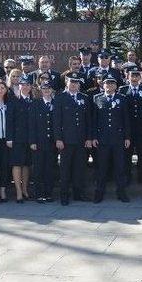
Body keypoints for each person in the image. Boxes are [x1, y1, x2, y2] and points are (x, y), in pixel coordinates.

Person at [53, 72, 92, 205]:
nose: (74, 84)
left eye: (76, 82)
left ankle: (78, 194)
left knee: (79, 168)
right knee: (65, 169)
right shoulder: (60, 98)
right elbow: (57, 120)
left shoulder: (84, 98)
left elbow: (88, 120)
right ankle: (64, 195)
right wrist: (58, 139)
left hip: (81, 140)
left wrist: (88, 138)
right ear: (67, 83)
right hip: (66, 140)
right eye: (72, 82)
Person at [92, 74, 131, 203]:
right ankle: (99, 193)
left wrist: (127, 137)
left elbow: (126, 119)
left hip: (118, 139)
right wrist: (94, 137)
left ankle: (121, 193)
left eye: (112, 83)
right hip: (102, 139)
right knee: (102, 168)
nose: (109, 86)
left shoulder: (122, 98)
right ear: (103, 85)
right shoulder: (97, 98)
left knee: (120, 167)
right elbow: (94, 120)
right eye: (107, 83)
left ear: (116, 86)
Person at [119, 66, 142, 186]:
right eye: (132, 75)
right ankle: (126, 178)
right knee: (126, 155)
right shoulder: (122, 90)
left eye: (137, 75)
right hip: (127, 130)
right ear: (128, 77)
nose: (134, 78)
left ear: (140, 77)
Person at [6, 76, 34, 203]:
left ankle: (24, 189)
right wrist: (9, 138)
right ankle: (18, 192)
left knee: (27, 165)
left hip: (30, 139)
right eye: (23, 84)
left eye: (28, 85)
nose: (26, 87)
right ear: (19, 86)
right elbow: (9, 121)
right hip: (17, 138)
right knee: (17, 164)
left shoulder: (35, 101)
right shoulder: (13, 100)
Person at [29, 81, 57, 202]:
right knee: (38, 169)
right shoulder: (35, 104)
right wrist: (32, 141)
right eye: (44, 88)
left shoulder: (56, 103)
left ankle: (48, 193)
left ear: (52, 90)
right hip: (39, 142)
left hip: (52, 142)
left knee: (49, 169)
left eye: (49, 88)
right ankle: (38, 194)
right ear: (41, 89)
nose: (46, 90)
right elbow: (31, 125)